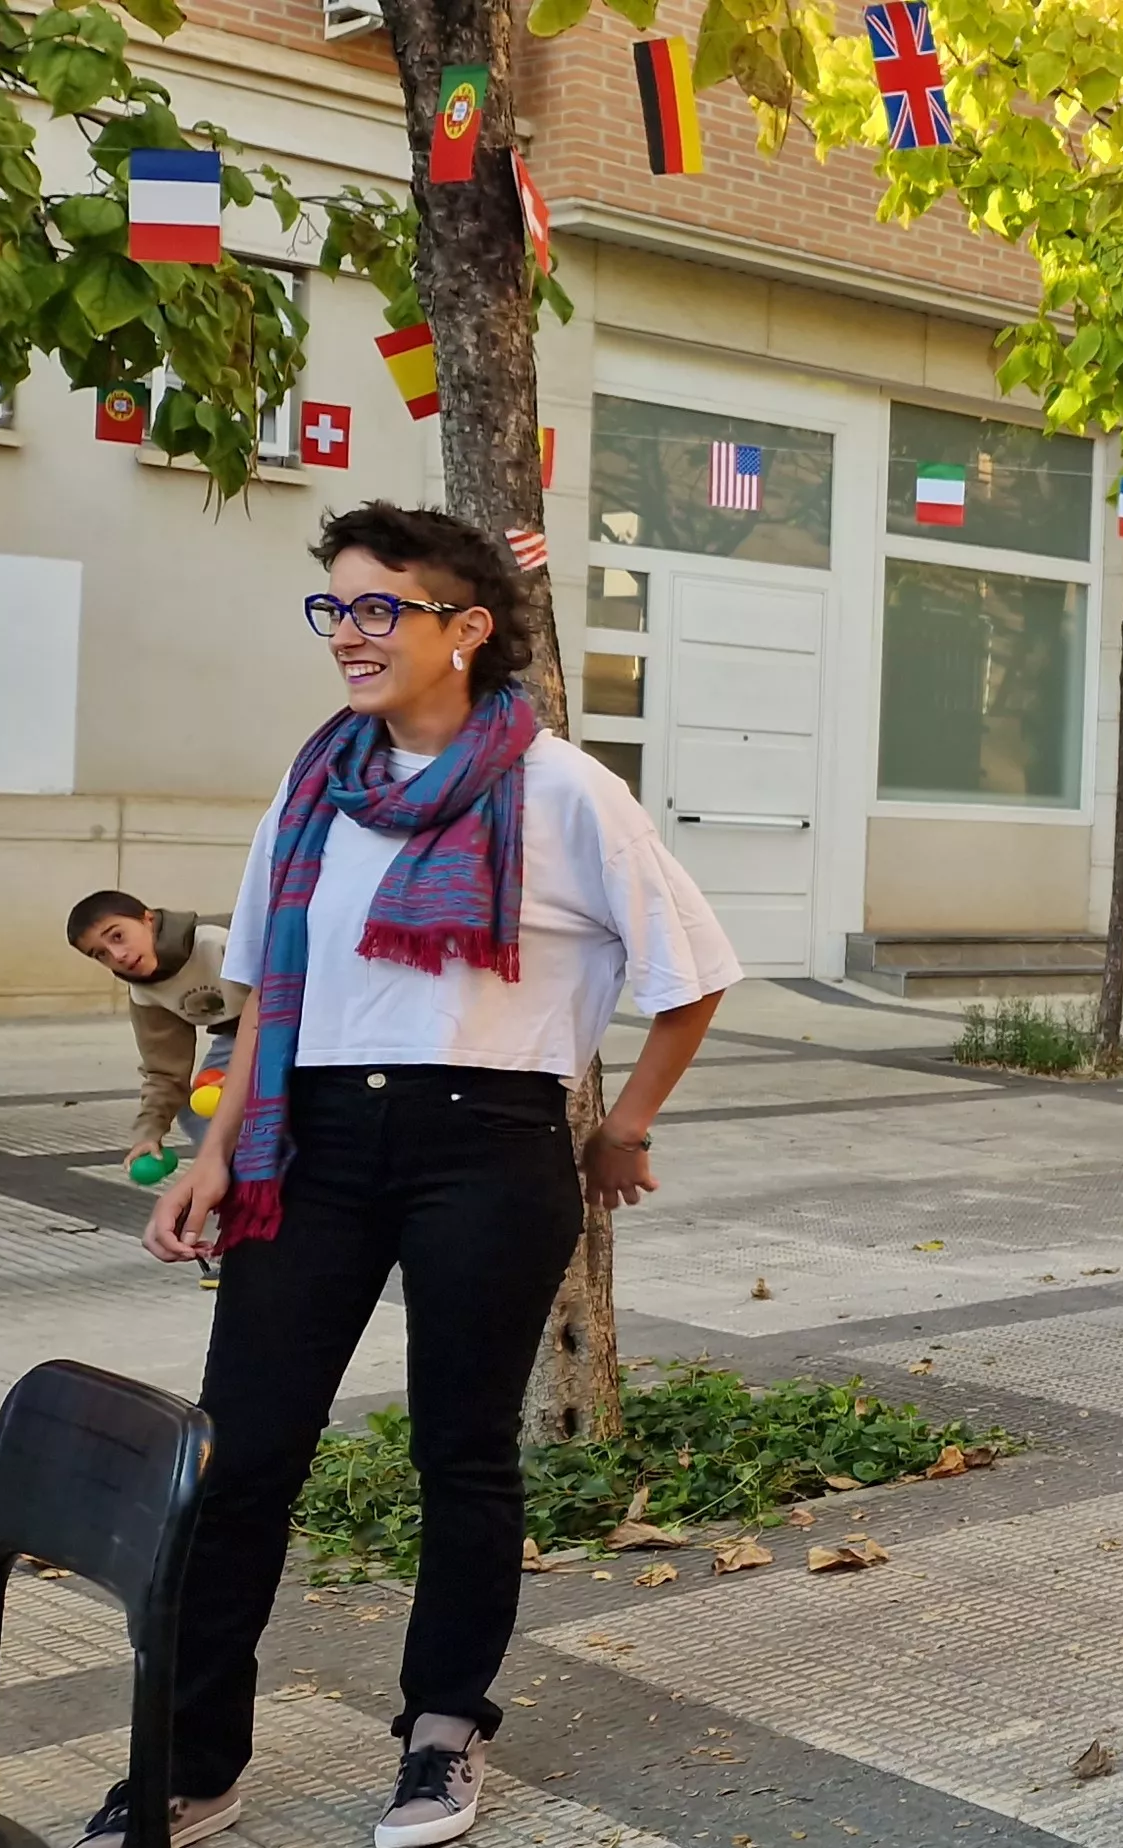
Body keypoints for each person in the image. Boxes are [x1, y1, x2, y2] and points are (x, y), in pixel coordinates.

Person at [114, 502, 741, 1848]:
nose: (348, 635)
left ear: (465, 629)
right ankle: (190, 1756)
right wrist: (212, 1155)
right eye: (333, 608)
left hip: (488, 1144)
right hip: (315, 1147)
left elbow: (689, 975)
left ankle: (442, 1731)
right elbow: (269, 994)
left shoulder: (564, 789)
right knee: (245, 1458)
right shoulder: (314, 785)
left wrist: (621, 1123)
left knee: (462, 1454)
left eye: (378, 608)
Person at [66, 889, 250, 1170]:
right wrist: (148, 1133)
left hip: (304, 1024)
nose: (118, 956)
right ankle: (244, 1185)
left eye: (117, 936)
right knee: (197, 1111)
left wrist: (251, 1071)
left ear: (148, 920)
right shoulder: (144, 991)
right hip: (235, 1035)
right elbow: (165, 1072)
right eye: (100, 954)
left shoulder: (219, 940)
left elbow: (295, 996)